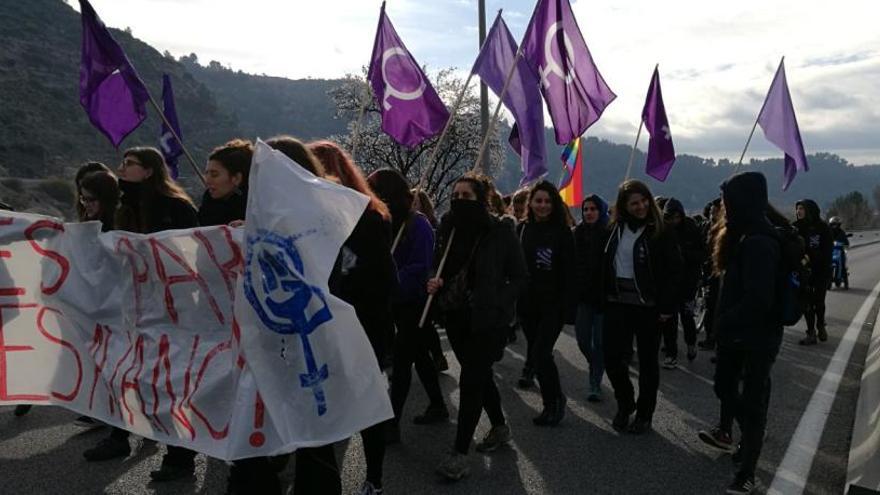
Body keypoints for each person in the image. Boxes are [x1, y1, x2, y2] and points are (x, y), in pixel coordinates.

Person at [83, 147, 199, 483]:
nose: (121, 168)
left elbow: (191, 252)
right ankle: (119, 436)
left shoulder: (176, 207)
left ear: (149, 171)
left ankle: (179, 456)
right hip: (131, 307)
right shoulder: (121, 209)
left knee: (169, 381)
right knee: (125, 372)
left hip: (171, 308)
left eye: (129, 164)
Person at [428, 174, 527, 481]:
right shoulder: (448, 227)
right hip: (455, 315)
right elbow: (438, 264)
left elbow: (520, 276)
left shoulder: (500, 231)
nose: (459, 200)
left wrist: (498, 300)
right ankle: (499, 427)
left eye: (466, 196)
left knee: (471, 379)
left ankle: (459, 453)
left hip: (489, 319)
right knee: (479, 374)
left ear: (481, 199)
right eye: (455, 194)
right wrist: (435, 280)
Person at [310, 140, 396, 495]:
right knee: (320, 404)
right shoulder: (305, 218)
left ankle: (373, 478)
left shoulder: (369, 217)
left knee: (365, 404)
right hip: (318, 329)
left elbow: (383, 279)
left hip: (362, 327)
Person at [705, 172, 783, 494]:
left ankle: (747, 470)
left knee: (753, 402)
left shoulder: (760, 243)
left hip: (757, 338)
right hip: (735, 336)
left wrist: (724, 321)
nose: (724, 205)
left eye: (728, 199)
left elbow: (758, 299)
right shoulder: (739, 234)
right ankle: (749, 436)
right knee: (724, 388)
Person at [368, 169, 448, 448]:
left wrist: (391, 279)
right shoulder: (381, 223)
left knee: (402, 361)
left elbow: (420, 267)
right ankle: (438, 404)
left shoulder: (419, 225)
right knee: (419, 355)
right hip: (391, 302)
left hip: (415, 302)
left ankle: (392, 423)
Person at [602, 180, 682, 434]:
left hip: (649, 306)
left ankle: (645, 414)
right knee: (613, 359)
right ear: (624, 206)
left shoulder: (661, 230)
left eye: (644, 201)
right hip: (617, 303)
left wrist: (667, 307)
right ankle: (626, 403)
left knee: (648, 363)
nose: (641, 206)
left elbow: (674, 272)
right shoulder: (614, 228)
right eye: (634, 203)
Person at [516, 181, 576, 425]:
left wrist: (568, 308)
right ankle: (554, 398)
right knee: (537, 354)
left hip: (553, 305)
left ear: (555, 205)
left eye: (548, 201)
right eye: (538, 201)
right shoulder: (522, 229)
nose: (542, 206)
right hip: (527, 304)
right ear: (530, 202)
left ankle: (553, 403)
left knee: (541, 353)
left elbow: (571, 272)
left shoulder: (563, 233)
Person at [573, 194, 610, 402]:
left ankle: (595, 382)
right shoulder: (577, 233)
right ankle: (595, 363)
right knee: (583, 340)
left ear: (600, 211)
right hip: (583, 297)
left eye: (593, 209)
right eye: (586, 209)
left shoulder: (610, 233)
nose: (588, 213)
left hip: (604, 299)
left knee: (600, 343)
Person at [661, 198, 706, 367]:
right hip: (669, 283)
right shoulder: (664, 230)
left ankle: (691, 343)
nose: (674, 221)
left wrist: (684, 253)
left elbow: (702, 253)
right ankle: (671, 353)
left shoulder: (691, 228)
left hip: (688, 281)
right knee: (669, 320)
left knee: (687, 317)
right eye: (670, 218)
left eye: (676, 217)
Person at [410, 188, 448, 371]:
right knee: (421, 323)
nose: (411, 207)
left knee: (424, 322)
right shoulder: (406, 225)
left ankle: (436, 356)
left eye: (415, 203)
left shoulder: (432, 226)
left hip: (429, 279)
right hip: (415, 281)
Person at [794, 199, 832, 345]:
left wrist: (812, 258)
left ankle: (821, 324)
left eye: (802, 208)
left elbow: (827, 252)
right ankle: (811, 333)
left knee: (819, 302)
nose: (799, 211)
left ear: (810, 210)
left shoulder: (823, 228)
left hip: (821, 272)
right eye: (797, 209)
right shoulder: (795, 227)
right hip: (803, 273)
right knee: (806, 303)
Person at [698, 199, 723, 350]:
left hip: (718, 273)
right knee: (709, 306)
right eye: (712, 211)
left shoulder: (725, 229)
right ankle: (709, 337)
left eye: (716, 211)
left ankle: (714, 339)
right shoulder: (707, 227)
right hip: (708, 271)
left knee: (715, 308)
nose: (713, 214)